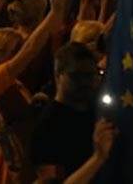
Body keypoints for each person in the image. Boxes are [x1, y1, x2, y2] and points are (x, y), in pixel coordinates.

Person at [27, 41, 102, 180]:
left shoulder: (99, 114)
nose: (85, 82)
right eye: (77, 76)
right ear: (58, 75)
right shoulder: (47, 126)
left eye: (90, 75)